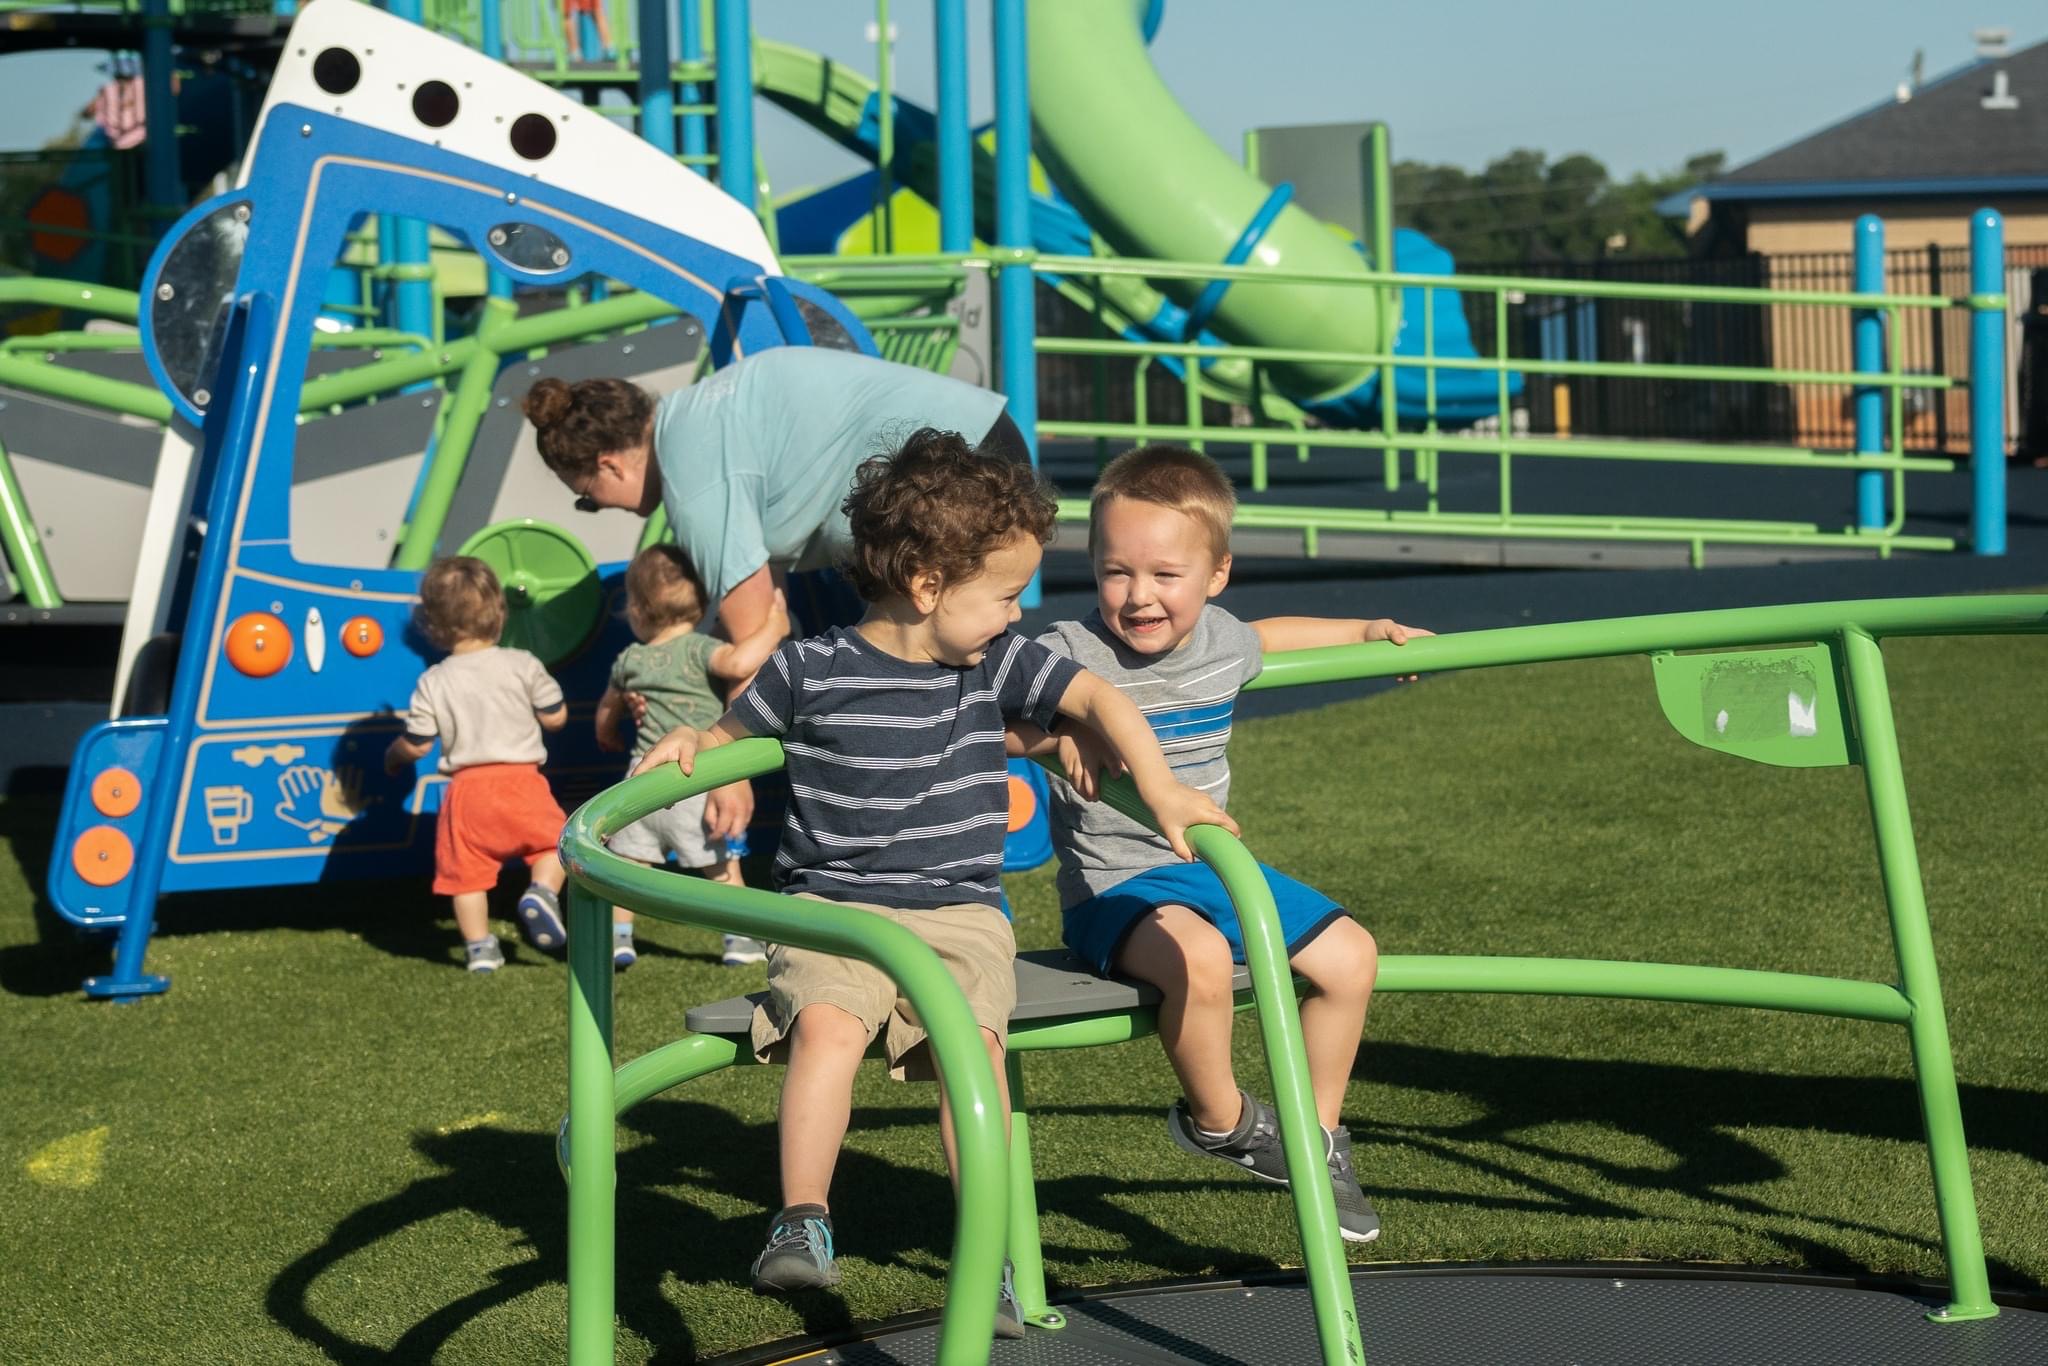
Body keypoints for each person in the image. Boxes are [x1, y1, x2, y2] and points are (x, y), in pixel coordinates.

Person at [633, 430, 1236, 1331]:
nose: (1013, 612)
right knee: (828, 1028)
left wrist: (1158, 785)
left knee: (974, 1055)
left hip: (959, 912)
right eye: (1001, 594)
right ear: (927, 588)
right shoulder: (810, 668)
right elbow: (727, 735)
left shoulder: (991, 664)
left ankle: (983, 1255)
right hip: (835, 912)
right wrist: (696, 746)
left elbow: (1101, 699)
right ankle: (803, 1220)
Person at [1017, 445, 1431, 1244]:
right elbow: (989, 703)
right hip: (1115, 892)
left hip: (1207, 871)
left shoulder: (1220, 642)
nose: (1137, 597)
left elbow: (1270, 637)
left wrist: (1366, 629)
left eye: (1164, 575)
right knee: (1201, 961)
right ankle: (1223, 1122)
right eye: (1115, 572)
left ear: (1215, 577)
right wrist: (1053, 737)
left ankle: (1315, 1140)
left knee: (1351, 956)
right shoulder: (1068, 651)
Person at [524, 348, 1031, 842]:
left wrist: (725, 771)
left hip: (959, 471)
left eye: (586, 498)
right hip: (978, 444)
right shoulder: (700, 415)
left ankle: (950, 838)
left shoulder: (694, 476)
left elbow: (754, 628)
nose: (599, 506)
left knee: (947, 668)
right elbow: (762, 607)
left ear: (609, 465)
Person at [595, 544, 789, 969]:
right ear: (701, 603)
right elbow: (740, 662)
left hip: (642, 778)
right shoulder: (702, 648)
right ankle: (738, 939)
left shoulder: (630, 659)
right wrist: (774, 626)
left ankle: (618, 938)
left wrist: (607, 733)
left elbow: (607, 710)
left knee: (630, 862)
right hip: (692, 774)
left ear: (639, 610)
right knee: (721, 869)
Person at [384, 557, 573, 972]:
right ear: (501, 614)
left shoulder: (434, 680)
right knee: (555, 846)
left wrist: (392, 756)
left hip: (467, 793)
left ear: (433, 626)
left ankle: (479, 948)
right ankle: (540, 891)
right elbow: (555, 717)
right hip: (522, 783)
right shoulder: (522, 664)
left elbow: (416, 745)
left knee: (466, 877)